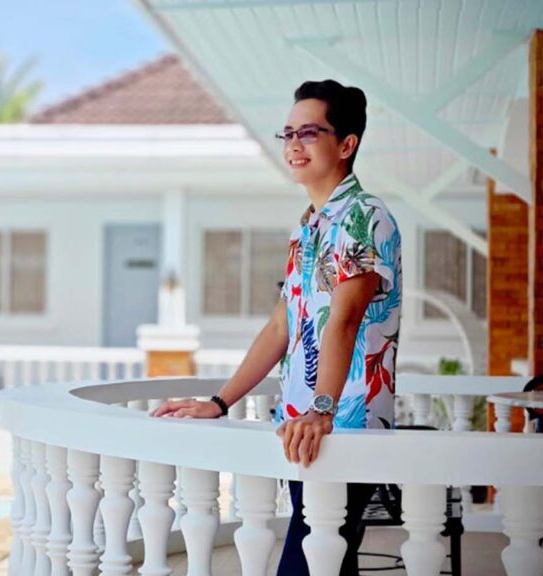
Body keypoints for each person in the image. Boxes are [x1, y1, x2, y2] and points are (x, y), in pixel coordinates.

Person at [151, 79, 403, 575]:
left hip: (342, 428)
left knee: (305, 563)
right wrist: (220, 401)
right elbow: (281, 326)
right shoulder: (306, 227)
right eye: (287, 133)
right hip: (300, 428)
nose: (293, 144)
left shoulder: (364, 216)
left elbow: (346, 317)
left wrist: (322, 409)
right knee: (329, 562)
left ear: (346, 144)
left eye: (309, 132)